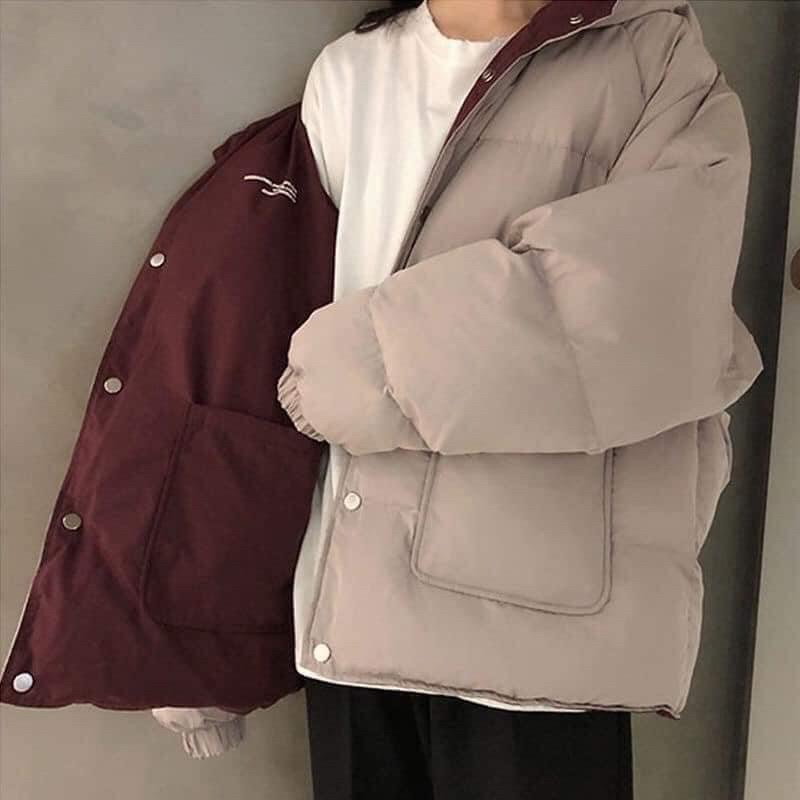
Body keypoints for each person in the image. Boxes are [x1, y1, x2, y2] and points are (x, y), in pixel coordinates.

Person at [154, 1, 763, 798]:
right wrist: (197, 621)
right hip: (354, 614)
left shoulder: (654, 58)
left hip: (541, 628)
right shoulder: (353, 70)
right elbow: (265, 325)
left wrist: (368, 367)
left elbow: (641, 307)